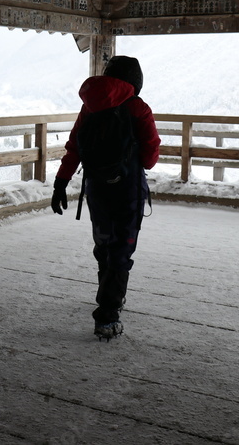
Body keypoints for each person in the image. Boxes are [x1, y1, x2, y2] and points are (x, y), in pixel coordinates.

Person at [51, 55, 161, 340]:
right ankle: (108, 314)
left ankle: (108, 295)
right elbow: (150, 158)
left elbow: (74, 146)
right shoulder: (138, 107)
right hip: (128, 189)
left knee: (104, 243)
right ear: (135, 80)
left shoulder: (89, 106)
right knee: (121, 248)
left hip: (97, 188)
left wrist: (61, 182)